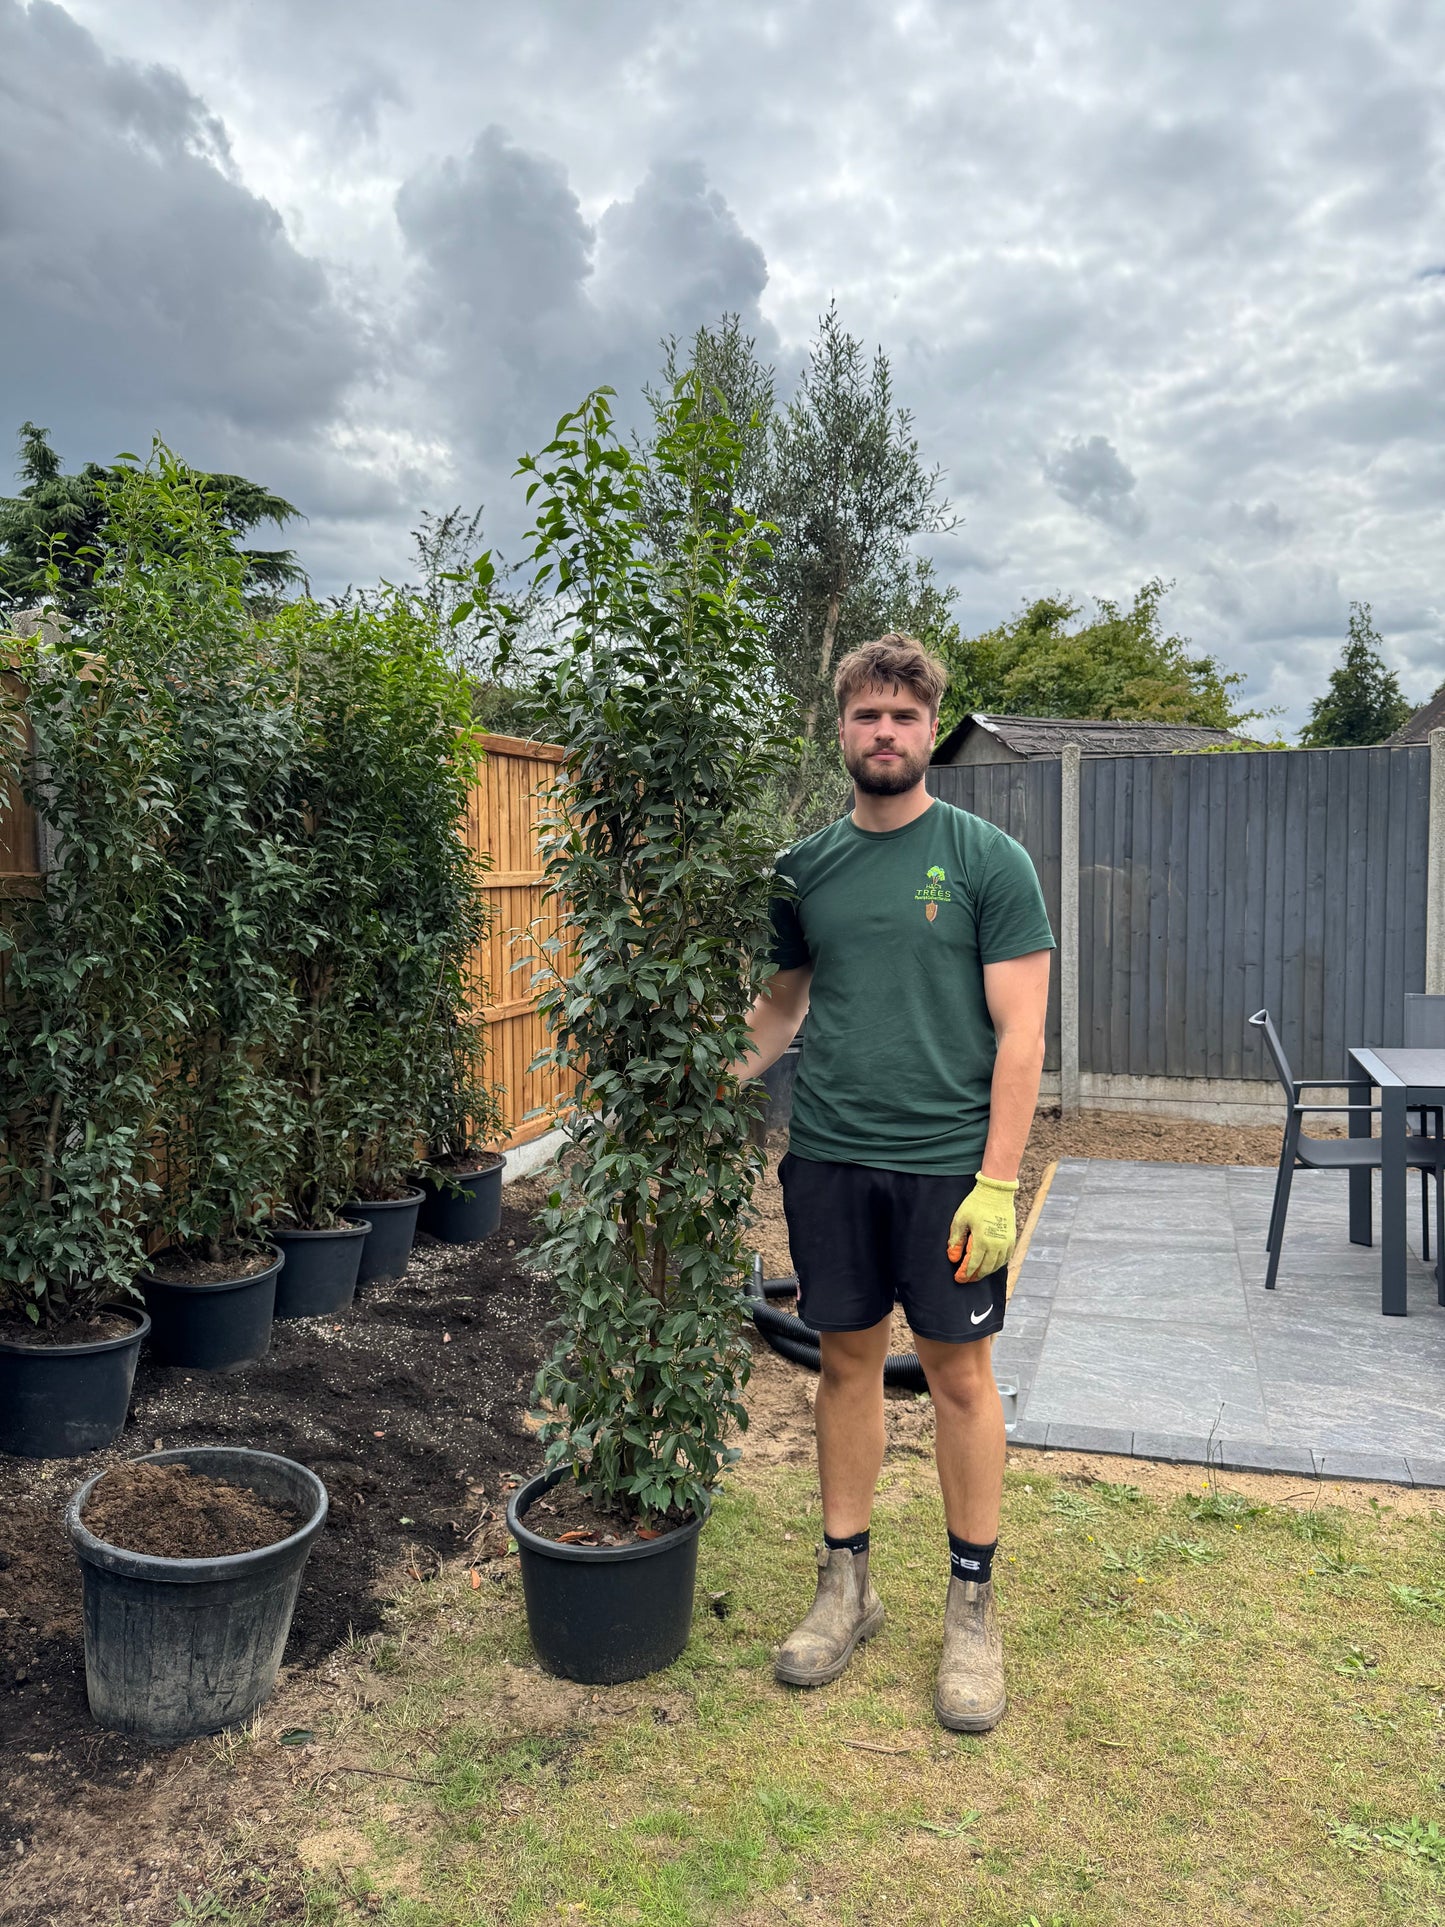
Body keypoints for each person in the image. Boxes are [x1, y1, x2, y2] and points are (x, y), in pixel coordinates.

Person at [732, 634, 1054, 1732]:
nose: (884, 732)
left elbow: (1021, 1036)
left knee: (960, 1379)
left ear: (929, 731)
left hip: (947, 1173)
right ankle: (847, 1583)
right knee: (844, 1365)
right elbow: (780, 1007)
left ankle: (972, 1604)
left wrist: (998, 1184)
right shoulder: (802, 868)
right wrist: (701, 1086)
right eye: (866, 715)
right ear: (839, 728)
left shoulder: (985, 862)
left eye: (903, 717)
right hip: (828, 1154)